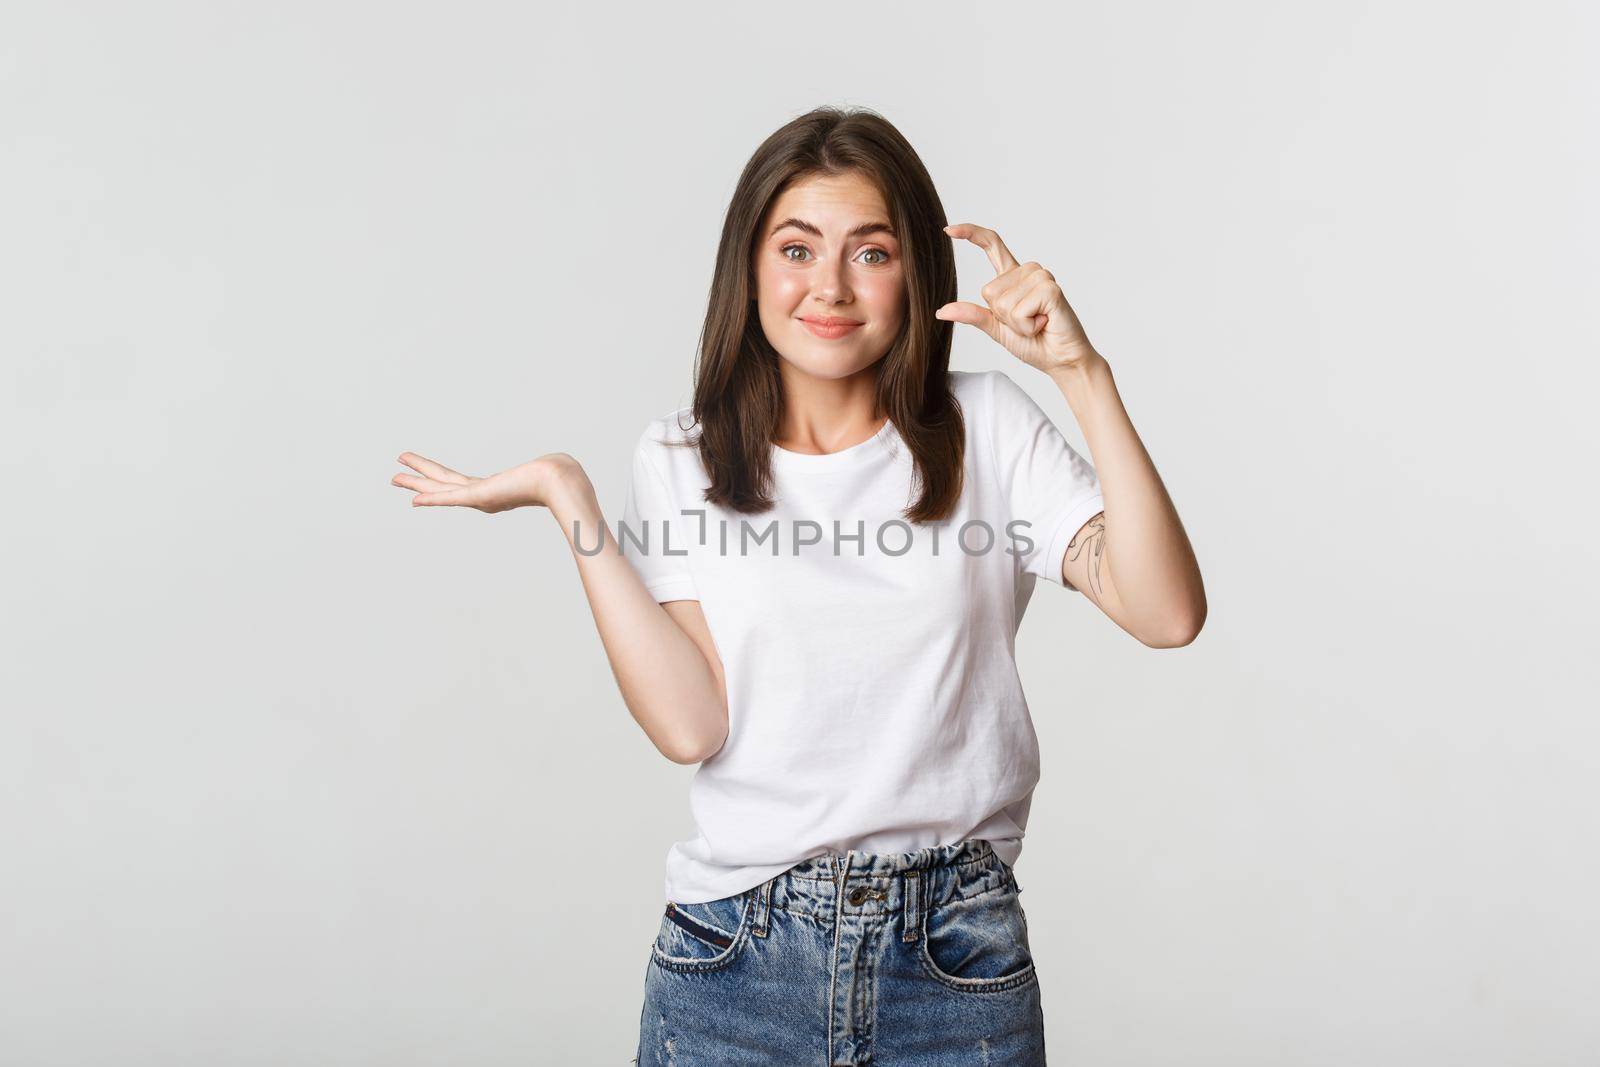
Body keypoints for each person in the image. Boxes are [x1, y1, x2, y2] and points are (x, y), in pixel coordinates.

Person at [390, 106, 1205, 1066]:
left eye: (870, 252)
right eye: (797, 248)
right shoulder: (681, 455)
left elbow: (1166, 612)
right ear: (751, 267)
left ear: (916, 277)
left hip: (953, 960)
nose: (829, 286)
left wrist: (1083, 373)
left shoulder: (987, 428)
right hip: (736, 963)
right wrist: (572, 502)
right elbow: (692, 728)